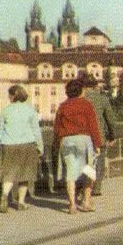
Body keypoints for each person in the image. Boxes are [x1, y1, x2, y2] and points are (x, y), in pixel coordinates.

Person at [0, 85, 43, 213]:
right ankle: (21, 202)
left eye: (9, 95)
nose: (8, 97)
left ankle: (4, 196)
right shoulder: (31, 111)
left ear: (13, 96)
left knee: (8, 174)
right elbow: (36, 131)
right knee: (24, 174)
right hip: (27, 144)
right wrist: (40, 147)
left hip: (8, 144)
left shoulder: (6, 111)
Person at [53, 79, 103, 215]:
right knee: (89, 171)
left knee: (70, 172)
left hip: (66, 140)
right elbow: (93, 125)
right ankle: (86, 201)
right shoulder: (86, 105)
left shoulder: (62, 106)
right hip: (84, 139)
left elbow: (57, 127)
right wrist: (97, 144)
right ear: (80, 91)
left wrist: (57, 143)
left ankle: (72, 205)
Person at [81, 75, 117, 197]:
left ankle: (83, 187)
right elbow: (110, 120)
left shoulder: (79, 99)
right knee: (99, 162)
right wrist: (112, 136)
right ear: (96, 86)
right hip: (99, 136)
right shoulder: (102, 99)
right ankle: (96, 188)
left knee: (84, 162)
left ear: (83, 86)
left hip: (82, 136)